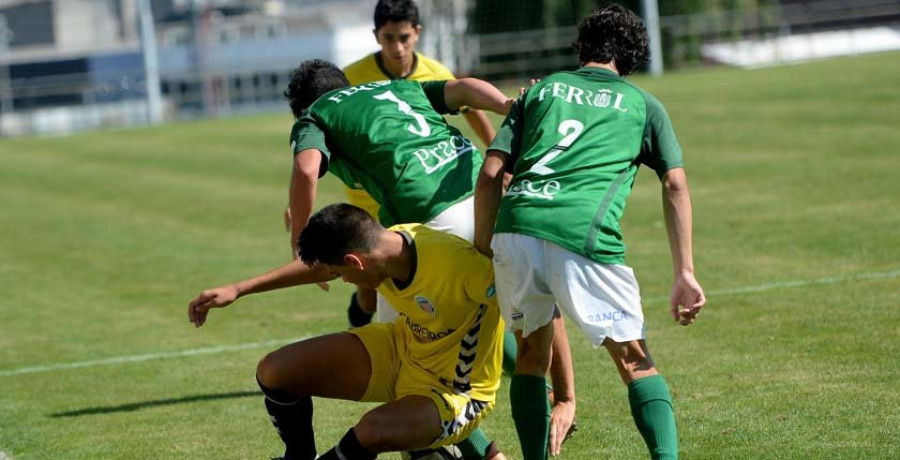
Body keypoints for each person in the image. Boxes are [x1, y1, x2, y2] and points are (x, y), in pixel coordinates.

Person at [473, 5, 707, 460]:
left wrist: (487, 238)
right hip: (581, 234)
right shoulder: (643, 104)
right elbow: (674, 182)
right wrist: (686, 271)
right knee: (634, 360)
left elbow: (490, 173)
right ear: (632, 61)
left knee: (531, 358)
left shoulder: (540, 90)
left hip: (516, 226)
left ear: (581, 48)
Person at [188, 204, 506, 460]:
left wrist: (558, 395)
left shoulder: (460, 266)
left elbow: (536, 313)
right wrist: (238, 289)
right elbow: (316, 266)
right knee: (275, 371)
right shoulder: (382, 246)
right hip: (400, 350)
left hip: (457, 392)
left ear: (355, 261)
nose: (344, 281)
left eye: (341, 274)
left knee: (371, 431)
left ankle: (429, 444)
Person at [339, 0, 496, 330]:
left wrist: (497, 151)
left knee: (426, 279)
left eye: (404, 37)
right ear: (376, 36)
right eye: (388, 38)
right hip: (369, 203)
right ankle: (365, 332)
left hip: (419, 200)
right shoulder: (351, 78)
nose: (397, 47)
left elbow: (469, 104)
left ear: (417, 33)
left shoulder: (435, 72)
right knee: (370, 293)